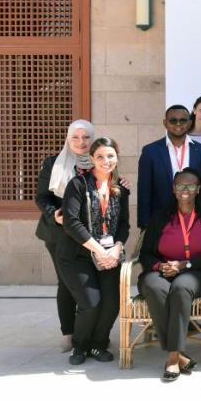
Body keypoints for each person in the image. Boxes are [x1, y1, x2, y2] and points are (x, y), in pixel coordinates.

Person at [137, 168, 201, 381]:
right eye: (180, 185)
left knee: (180, 289)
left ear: (198, 189)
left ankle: (172, 357)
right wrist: (160, 267)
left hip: (195, 272)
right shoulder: (161, 216)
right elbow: (145, 253)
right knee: (153, 286)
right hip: (161, 269)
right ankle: (180, 356)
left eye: (190, 186)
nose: (184, 190)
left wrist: (185, 265)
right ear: (173, 189)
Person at [56, 137, 130, 365]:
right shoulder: (77, 185)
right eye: (99, 156)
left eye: (110, 156)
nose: (105, 161)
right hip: (77, 256)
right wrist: (99, 250)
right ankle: (80, 345)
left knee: (111, 303)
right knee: (91, 302)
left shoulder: (121, 189)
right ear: (91, 159)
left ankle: (99, 344)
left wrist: (116, 249)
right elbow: (71, 222)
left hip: (109, 255)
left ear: (117, 158)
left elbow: (124, 225)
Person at [35, 120, 95, 352]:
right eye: (76, 138)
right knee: (67, 283)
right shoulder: (53, 164)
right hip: (59, 233)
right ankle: (68, 334)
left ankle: (89, 333)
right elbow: (42, 197)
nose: (81, 142)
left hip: (90, 234)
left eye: (86, 137)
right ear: (68, 139)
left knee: (89, 283)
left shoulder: (98, 161)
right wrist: (54, 214)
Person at [138, 104, 201, 229]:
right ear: (165, 123)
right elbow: (144, 189)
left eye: (183, 120)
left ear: (190, 123)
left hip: (195, 218)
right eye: (173, 120)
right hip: (161, 219)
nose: (178, 124)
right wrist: (144, 223)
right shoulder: (150, 151)